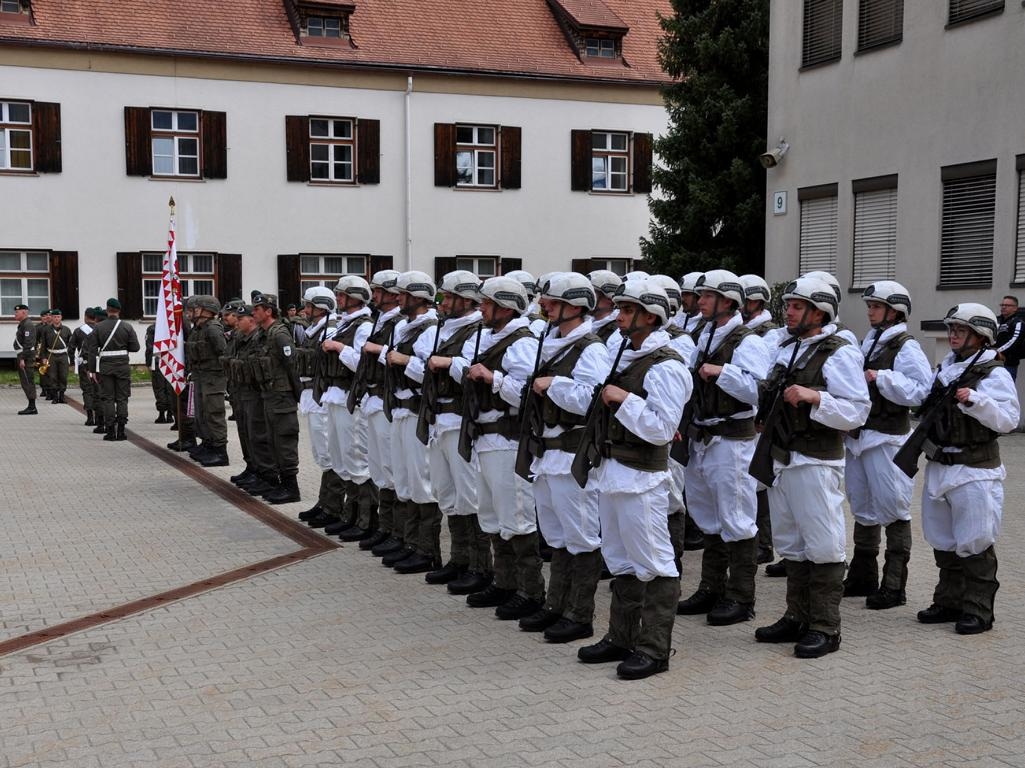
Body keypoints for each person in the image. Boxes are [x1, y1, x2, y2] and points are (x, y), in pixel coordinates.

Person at [575, 279, 690, 680]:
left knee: (655, 564)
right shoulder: (623, 353)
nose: (619, 316)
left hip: (642, 478)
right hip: (612, 473)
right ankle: (621, 636)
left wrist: (623, 400)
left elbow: (661, 429)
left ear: (650, 316)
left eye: (627, 310)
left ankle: (655, 648)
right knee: (620, 561)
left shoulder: (668, 366)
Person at [752, 277, 869, 658]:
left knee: (824, 543)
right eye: (788, 305)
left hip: (816, 461)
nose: (788, 311)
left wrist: (816, 396)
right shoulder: (788, 347)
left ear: (820, 312)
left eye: (798, 306)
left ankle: (825, 626)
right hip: (782, 458)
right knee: (791, 542)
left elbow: (857, 411)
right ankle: (797, 616)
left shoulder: (839, 352)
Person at [517, 272, 611, 642]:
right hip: (546, 453)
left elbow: (593, 400)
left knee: (581, 536)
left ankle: (579, 614)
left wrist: (553, 384)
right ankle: (556, 604)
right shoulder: (550, 340)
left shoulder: (592, 348)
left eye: (552, 304)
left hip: (572, 454)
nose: (544, 308)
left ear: (575, 307)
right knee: (556, 536)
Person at [915, 303, 1019, 635]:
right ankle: (949, 602)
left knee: (975, 539)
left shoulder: (993, 373)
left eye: (961, 331)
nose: (954, 335)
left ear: (981, 336)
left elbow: (1008, 419)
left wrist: (976, 401)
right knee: (943, 539)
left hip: (975, 469)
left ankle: (978, 610)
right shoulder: (945, 369)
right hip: (940, 465)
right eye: (953, 330)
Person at [676, 270, 771, 626]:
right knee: (707, 515)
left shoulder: (748, 341)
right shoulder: (700, 334)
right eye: (699, 295)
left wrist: (721, 373)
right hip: (701, 436)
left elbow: (757, 391)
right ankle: (711, 587)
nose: (699, 301)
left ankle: (741, 597)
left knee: (737, 517)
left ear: (728, 301)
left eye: (707, 296)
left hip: (732, 441)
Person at [452, 276, 546, 620]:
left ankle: (531, 590)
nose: (482, 309)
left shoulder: (521, 342)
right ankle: (505, 581)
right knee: (491, 514)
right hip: (485, 438)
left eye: (487, 304)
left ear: (505, 308)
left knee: (517, 516)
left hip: (508, 441)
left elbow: (527, 395)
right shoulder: (492, 336)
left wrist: (493, 379)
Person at [842, 282, 932, 609]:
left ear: (895, 311)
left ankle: (894, 584)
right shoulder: (871, 341)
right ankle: (863, 575)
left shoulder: (906, 346)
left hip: (888, 439)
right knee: (862, 506)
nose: (870, 311)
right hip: (860, 438)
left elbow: (921, 391)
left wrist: (880, 378)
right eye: (870, 306)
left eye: (876, 307)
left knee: (893, 507)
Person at [421, 270, 487, 582]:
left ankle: (480, 565)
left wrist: (449, 363)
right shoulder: (446, 328)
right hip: (439, 420)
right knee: (446, 492)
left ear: (466, 300)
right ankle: (459, 558)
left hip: (460, 421)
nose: (444, 303)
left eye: (449, 297)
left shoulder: (478, 329)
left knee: (469, 495)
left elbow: (473, 371)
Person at [379, 271, 441, 571]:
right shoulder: (405, 326)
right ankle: (408, 540)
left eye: (401, 294)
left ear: (417, 297)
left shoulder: (429, 329)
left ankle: (426, 549)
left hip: (417, 410)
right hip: (401, 410)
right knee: (403, 478)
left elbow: (431, 372)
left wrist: (404, 361)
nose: (396, 299)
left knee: (421, 481)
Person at [319, 276, 376, 537]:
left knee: (356, 458)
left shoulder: (363, 326)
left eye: (343, 295)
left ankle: (365, 520)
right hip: (335, 396)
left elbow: (361, 364)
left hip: (350, 397)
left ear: (356, 297)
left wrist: (339, 347)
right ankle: (350, 514)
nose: (338, 299)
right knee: (341, 458)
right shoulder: (346, 323)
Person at [357, 270, 406, 553]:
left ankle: (399, 533)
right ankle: (386, 527)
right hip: (373, 399)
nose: (373, 295)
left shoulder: (398, 322)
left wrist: (378, 349)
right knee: (379, 468)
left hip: (389, 401)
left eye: (378, 290)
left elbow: (399, 357)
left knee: (392, 467)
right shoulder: (382, 320)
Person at [293, 287, 345, 528]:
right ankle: (325, 502)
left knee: (329, 452)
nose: (305, 310)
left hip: (322, 395)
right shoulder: (314, 330)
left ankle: (334, 506)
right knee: (322, 453)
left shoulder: (330, 330)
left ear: (321, 307)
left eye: (309, 306)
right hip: (311, 394)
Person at [739, 273, 780, 566]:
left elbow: (767, 379)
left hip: (757, 416)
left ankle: (764, 543)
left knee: (760, 481)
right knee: (754, 481)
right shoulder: (745, 331)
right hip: (750, 415)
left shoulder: (769, 334)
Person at [250, 293, 302, 504]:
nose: (253, 313)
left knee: (284, 440)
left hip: (282, 396)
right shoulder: (263, 334)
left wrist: (299, 396)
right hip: (269, 395)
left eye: (257, 309)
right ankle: (281, 484)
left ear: (268, 311)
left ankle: (292, 488)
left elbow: (292, 366)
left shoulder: (279, 334)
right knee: (271, 440)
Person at [85, 298, 141, 441]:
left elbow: (92, 351)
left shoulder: (98, 327)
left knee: (108, 398)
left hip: (105, 367)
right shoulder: (127, 327)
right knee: (122, 398)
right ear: (119, 310)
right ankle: (121, 431)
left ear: (107, 309)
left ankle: (110, 431)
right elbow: (135, 347)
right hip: (122, 366)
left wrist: (92, 370)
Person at [186, 296, 230, 467]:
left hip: (213, 378)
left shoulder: (212, 329)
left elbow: (223, 353)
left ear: (206, 310)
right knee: (202, 414)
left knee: (214, 414)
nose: (189, 312)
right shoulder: (198, 329)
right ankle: (208, 444)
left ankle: (220, 452)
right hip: (201, 376)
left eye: (193, 309)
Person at [36, 308, 72, 404]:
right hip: (51, 355)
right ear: (51, 317)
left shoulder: (67, 330)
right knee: (52, 376)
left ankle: (62, 396)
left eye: (58, 317)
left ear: (61, 318)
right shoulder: (46, 330)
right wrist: (43, 357)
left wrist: (71, 358)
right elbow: (43, 345)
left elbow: (71, 345)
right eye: (55, 317)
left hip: (63, 355)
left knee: (63, 376)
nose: (56, 319)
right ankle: (55, 396)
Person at [71, 307, 99, 425]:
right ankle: (99, 417)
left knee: (87, 390)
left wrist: (72, 363)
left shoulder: (78, 331)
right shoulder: (99, 329)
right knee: (98, 390)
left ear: (85, 316)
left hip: (84, 363)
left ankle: (89, 417)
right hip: (98, 363)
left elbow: (71, 348)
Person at [145, 321, 176, 424]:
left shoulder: (152, 329)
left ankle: (162, 414)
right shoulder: (173, 327)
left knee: (159, 388)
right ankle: (170, 415)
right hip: (172, 361)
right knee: (170, 387)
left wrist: (148, 363)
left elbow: (149, 348)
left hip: (158, 361)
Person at [13, 303, 38, 415]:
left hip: (26, 357)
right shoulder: (23, 324)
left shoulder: (27, 324)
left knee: (28, 381)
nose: (15, 314)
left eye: (17, 312)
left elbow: (29, 343)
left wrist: (22, 358)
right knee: (25, 381)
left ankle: (32, 407)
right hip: (24, 356)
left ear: (24, 312)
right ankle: (31, 405)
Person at [994, 296, 1025, 381]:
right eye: (1002, 305)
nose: (1003, 307)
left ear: (1015, 308)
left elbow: (1014, 340)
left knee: (1006, 389)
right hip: (992, 361)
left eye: (1007, 305)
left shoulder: (1018, 322)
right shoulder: (996, 320)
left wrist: (997, 351)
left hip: (1008, 363)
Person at [587, 270, 622, 343]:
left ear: (609, 298)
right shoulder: (588, 324)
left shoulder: (617, 335)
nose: (586, 298)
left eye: (592, 293)